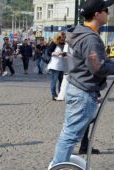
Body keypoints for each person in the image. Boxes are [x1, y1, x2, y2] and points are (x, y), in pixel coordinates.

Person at [50, 0, 114, 166]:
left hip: (78, 87)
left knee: (69, 133)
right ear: (97, 14)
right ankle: (58, 166)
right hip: (83, 92)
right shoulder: (90, 39)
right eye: (106, 10)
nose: (108, 13)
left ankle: (59, 164)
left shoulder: (80, 33)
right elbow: (97, 68)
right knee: (70, 135)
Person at [47, 32, 67, 101]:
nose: (63, 39)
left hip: (62, 65)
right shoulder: (54, 43)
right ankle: (54, 95)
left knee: (61, 81)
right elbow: (49, 52)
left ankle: (60, 94)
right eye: (62, 38)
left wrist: (65, 54)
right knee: (54, 81)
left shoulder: (65, 44)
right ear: (58, 37)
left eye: (64, 37)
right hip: (54, 65)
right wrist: (55, 53)